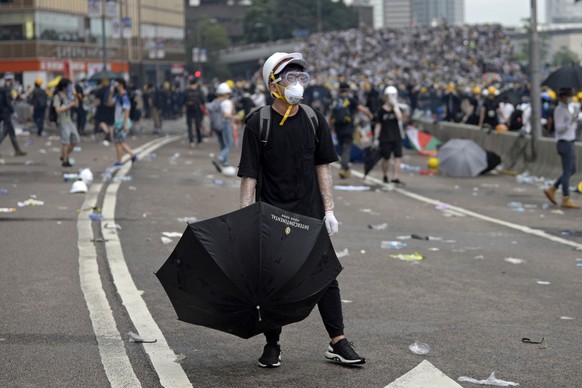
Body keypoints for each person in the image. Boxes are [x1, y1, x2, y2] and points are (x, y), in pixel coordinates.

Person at [238, 51, 365, 368]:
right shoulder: (258, 123)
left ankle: (338, 341)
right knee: (272, 280)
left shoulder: (313, 119)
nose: (297, 83)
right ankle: (272, 345)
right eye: (290, 78)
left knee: (325, 277)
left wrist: (330, 210)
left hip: (310, 216)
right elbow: (249, 176)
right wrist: (243, 221)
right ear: (273, 85)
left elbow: (323, 166)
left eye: (301, 77)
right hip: (272, 216)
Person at [544, 88, 580, 209]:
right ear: (563, 97)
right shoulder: (560, 110)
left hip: (569, 141)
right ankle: (566, 198)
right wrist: (570, 121)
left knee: (572, 169)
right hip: (564, 142)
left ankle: (553, 188)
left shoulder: (566, 109)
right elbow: (559, 128)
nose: (570, 98)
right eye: (569, 96)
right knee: (567, 171)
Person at [330, 82, 373, 179]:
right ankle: (344, 167)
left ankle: (344, 166)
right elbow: (363, 109)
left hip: (338, 127)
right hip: (348, 127)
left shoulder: (336, 100)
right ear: (348, 90)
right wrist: (370, 116)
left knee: (341, 147)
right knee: (347, 147)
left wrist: (329, 126)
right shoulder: (351, 99)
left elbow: (331, 114)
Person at [374, 86, 404, 184]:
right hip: (385, 137)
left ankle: (396, 177)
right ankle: (385, 175)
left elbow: (400, 117)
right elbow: (378, 125)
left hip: (396, 136)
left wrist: (395, 106)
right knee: (386, 158)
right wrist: (376, 138)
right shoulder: (381, 110)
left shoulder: (397, 108)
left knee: (398, 157)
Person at [108, 79, 137, 168]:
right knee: (119, 142)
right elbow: (109, 103)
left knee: (118, 142)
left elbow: (127, 110)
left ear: (121, 85)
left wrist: (124, 124)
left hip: (122, 123)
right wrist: (111, 93)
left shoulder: (124, 97)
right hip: (118, 122)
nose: (115, 86)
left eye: (117, 84)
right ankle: (132, 155)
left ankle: (120, 161)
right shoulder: (117, 95)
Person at [210, 82, 238, 170]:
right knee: (229, 144)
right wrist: (235, 116)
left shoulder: (215, 102)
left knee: (223, 144)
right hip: (225, 124)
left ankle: (225, 163)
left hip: (216, 125)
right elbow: (226, 115)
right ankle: (220, 159)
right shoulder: (226, 102)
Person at [53, 78, 79, 167]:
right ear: (64, 87)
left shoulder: (69, 95)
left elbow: (76, 104)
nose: (69, 88)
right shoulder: (57, 96)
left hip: (69, 120)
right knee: (66, 142)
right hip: (62, 121)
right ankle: (65, 161)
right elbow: (57, 109)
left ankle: (64, 155)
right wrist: (68, 106)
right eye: (68, 86)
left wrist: (75, 95)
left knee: (75, 139)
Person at [0, 74, 26, 156]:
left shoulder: (2, 89)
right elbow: (8, 102)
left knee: (9, 132)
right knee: (8, 132)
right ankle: (17, 150)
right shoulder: (6, 90)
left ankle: (17, 150)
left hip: (3, 112)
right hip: (6, 113)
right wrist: (12, 111)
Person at [184, 77, 205, 147]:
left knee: (190, 126)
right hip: (197, 110)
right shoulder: (199, 91)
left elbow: (182, 100)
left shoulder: (186, 91)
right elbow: (203, 100)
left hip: (189, 109)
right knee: (197, 125)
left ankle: (191, 141)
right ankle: (199, 140)